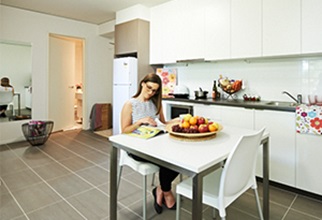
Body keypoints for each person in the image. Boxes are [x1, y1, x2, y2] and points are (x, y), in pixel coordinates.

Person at [121, 73, 179, 214]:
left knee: (179, 157)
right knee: (168, 160)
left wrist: (178, 120)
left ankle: (161, 189)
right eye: (149, 88)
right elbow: (124, 130)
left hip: (156, 144)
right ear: (142, 83)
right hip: (137, 148)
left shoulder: (155, 103)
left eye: (154, 91)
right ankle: (166, 192)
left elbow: (163, 123)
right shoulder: (130, 104)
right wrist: (140, 122)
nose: (151, 92)